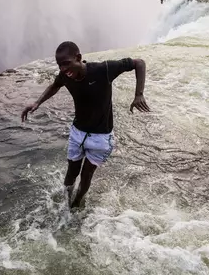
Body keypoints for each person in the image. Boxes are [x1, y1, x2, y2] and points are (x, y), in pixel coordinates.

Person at [21, 41, 150, 208]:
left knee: (86, 175)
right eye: (59, 65)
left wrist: (139, 94)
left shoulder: (103, 69)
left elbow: (139, 63)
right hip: (78, 134)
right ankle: (65, 204)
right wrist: (37, 103)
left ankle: (76, 204)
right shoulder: (65, 76)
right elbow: (54, 86)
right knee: (71, 173)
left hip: (101, 137)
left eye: (66, 64)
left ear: (79, 58)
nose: (63, 69)